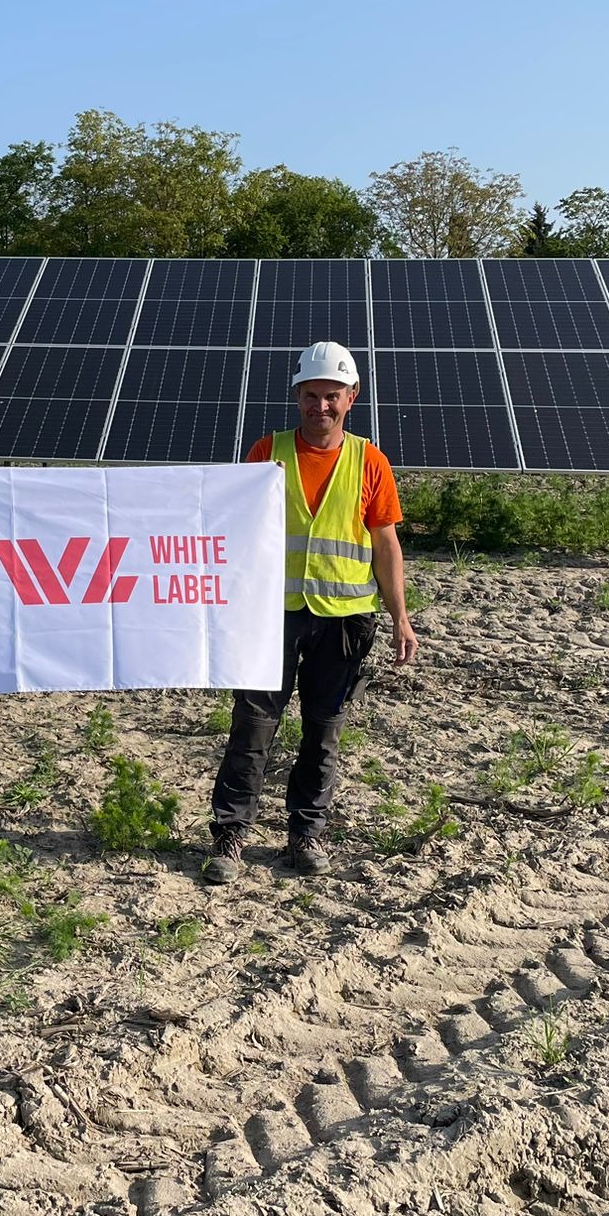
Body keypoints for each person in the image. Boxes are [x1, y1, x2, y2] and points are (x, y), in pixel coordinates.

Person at [203, 341, 417, 884]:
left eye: (330, 396)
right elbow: (232, 526)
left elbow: (385, 542)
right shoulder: (266, 451)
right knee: (252, 728)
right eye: (310, 395)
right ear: (297, 395)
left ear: (351, 397)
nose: (319, 406)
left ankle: (305, 834)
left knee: (322, 733)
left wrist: (400, 617)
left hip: (345, 622)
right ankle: (230, 836)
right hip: (269, 617)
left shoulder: (370, 461)